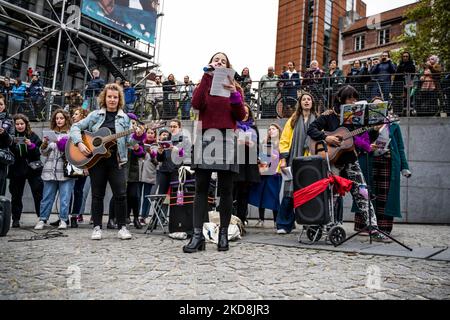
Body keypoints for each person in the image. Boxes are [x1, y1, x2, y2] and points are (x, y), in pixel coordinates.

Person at [307, 85, 391, 242]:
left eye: (355, 98)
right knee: (331, 195)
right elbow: (311, 129)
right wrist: (326, 137)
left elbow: (363, 141)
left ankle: (373, 229)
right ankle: (328, 226)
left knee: (362, 193)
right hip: (333, 162)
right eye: (350, 98)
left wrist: (374, 130)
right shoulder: (328, 115)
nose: (353, 101)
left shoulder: (356, 118)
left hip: (351, 160)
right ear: (341, 99)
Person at [184, 52, 246, 253]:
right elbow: (195, 105)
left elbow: (241, 115)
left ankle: (223, 234)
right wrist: (206, 76)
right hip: (205, 136)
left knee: (226, 189)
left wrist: (235, 95)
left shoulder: (235, 89)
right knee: (201, 187)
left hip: (227, 137)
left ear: (228, 66)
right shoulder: (205, 84)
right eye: (216, 59)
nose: (219, 62)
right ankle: (197, 237)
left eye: (223, 61)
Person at [70, 83, 145, 240]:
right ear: (104, 98)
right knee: (97, 194)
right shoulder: (95, 115)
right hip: (96, 161)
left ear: (119, 99)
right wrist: (80, 143)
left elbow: (129, 141)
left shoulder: (125, 118)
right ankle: (97, 227)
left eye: (115, 97)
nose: (112, 100)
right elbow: (76, 127)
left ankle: (122, 227)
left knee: (121, 194)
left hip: (116, 161)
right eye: (109, 96)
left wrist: (138, 135)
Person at [352, 98, 411, 235]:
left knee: (385, 195)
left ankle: (383, 227)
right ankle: (365, 226)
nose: (378, 107)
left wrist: (404, 166)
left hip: (388, 161)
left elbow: (400, 147)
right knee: (367, 193)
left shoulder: (393, 124)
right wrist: (370, 139)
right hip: (369, 160)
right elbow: (358, 141)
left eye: (380, 104)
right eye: (375, 105)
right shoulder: (365, 124)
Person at [277, 92, 317, 234]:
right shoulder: (293, 120)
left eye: (309, 99)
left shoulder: (317, 119)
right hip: (293, 159)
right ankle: (284, 224)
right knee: (289, 193)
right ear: (300, 103)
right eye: (304, 99)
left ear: (312, 103)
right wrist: (283, 159)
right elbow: (284, 140)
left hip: (310, 161)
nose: (306, 101)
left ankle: (309, 223)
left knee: (308, 192)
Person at [34, 109, 75, 230]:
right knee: (47, 197)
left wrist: (61, 143)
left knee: (65, 198)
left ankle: (63, 220)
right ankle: (42, 219)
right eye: (57, 118)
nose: (59, 120)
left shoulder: (72, 134)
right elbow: (44, 153)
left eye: (61, 118)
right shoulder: (50, 133)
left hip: (65, 171)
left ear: (66, 119)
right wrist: (45, 144)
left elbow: (73, 152)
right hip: (49, 170)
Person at [8, 114, 43, 228]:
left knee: (38, 194)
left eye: (22, 124)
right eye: (17, 124)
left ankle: (41, 218)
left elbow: (38, 153)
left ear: (26, 124)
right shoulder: (11, 137)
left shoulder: (33, 136)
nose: (19, 126)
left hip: (32, 169)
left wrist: (31, 145)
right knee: (16, 195)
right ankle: (16, 219)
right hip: (16, 170)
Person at [249, 123, 282, 228]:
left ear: (278, 131)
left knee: (274, 197)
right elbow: (261, 158)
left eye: (273, 129)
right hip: (265, 173)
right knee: (261, 195)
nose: (271, 131)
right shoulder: (265, 143)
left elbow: (284, 157)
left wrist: (275, 157)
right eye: (269, 129)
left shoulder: (282, 143)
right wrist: (263, 158)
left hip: (276, 174)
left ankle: (276, 221)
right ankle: (261, 219)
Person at [233, 104, 260, 227]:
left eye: (247, 113)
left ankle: (241, 218)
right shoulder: (233, 126)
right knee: (231, 191)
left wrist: (252, 145)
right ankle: (230, 218)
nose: (245, 114)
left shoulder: (253, 128)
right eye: (243, 112)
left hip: (248, 164)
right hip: (235, 162)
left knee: (244, 193)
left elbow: (258, 147)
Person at [68, 107, 89, 228]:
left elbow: (88, 150)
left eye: (76, 114)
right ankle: (64, 215)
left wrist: (86, 166)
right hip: (70, 163)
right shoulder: (70, 129)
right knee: (67, 191)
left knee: (78, 191)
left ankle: (75, 216)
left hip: (82, 165)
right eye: (73, 114)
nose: (73, 116)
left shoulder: (86, 132)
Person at [139, 128, 158, 224]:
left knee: (147, 196)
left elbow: (157, 162)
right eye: (148, 133)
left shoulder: (157, 146)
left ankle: (143, 216)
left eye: (152, 133)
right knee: (136, 196)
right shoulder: (140, 143)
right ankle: (135, 216)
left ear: (155, 135)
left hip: (149, 173)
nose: (150, 134)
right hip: (138, 173)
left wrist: (151, 154)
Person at [0, 94, 14, 196]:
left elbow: (11, 141)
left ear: (4, 105)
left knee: (1, 187)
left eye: (0, 104)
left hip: (1, 158)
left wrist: (4, 133)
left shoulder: (9, 120)